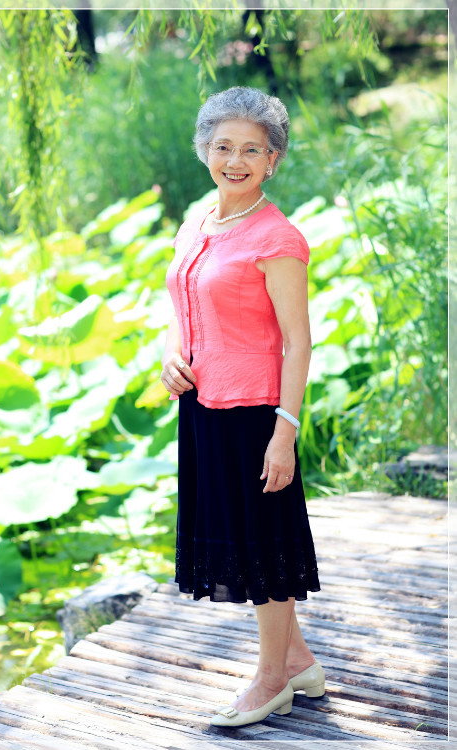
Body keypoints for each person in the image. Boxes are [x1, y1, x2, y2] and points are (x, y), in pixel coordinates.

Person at [161, 86, 324, 728]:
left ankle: (271, 679)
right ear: (205, 149)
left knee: (264, 547)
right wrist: (171, 354)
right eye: (223, 146)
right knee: (246, 540)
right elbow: (182, 306)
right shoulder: (197, 223)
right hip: (203, 406)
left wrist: (285, 431)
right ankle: (299, 662)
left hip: (256, 413)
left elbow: (298, 341)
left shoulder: (278, 238)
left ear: (273, 159)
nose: (235, 161)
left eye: (252, 150)